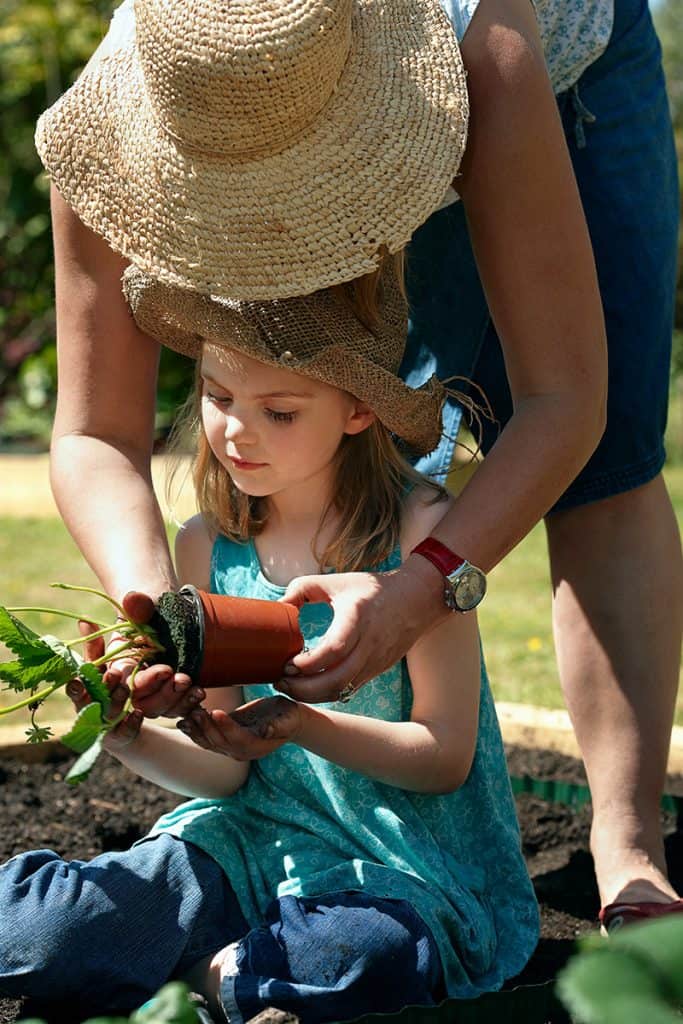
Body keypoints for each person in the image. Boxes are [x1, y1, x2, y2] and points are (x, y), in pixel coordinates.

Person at [32, 0, 680, 927]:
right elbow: (95, 433)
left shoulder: (479, 44)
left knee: (607, 470)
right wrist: (160, 619)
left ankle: (627, 845)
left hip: (556, 73)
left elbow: (564, 402)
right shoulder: (126, 107)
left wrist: (423, 589)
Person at [0, 265, 539, 1022]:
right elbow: (224, 777)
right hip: (246, 842)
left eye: (278, 412)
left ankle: (191, 971)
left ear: (356, 409)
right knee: (38, 930)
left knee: (362, 956)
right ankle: (228, 976)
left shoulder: (418, 536)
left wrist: (304, 725)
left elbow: (445, 757)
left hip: (398, 863)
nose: (235, 431)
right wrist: (126, 738)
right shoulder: (205, 548)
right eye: (218, 398)